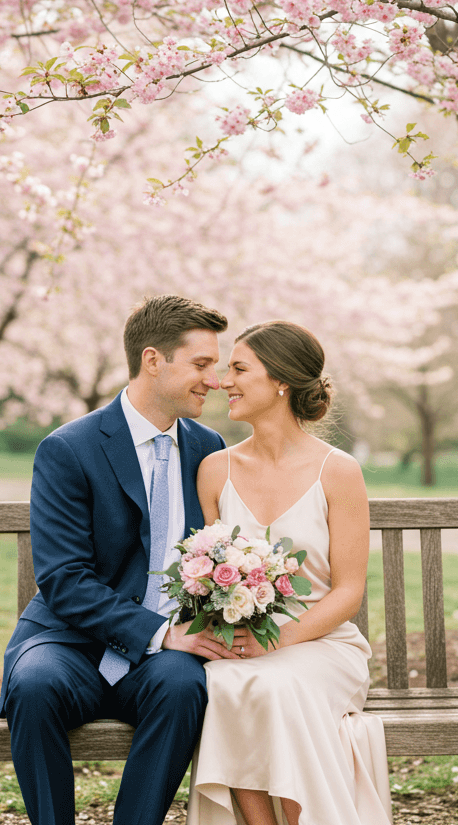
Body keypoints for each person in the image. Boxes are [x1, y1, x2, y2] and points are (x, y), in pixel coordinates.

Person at [0, 294, 240, 825]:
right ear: (154, 360)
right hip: (69, 641)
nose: (215, 381)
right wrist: (158, 632)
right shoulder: (68, 448)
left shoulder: (209, 447)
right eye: (201, 365)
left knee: (183, 687)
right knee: (34, 687)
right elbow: (63, 579)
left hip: (164, 658)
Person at [187, 320, 392, 825]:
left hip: (322, 644)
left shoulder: (338, 470)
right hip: (241, 643)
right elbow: (204, 570)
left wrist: (276, 641)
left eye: (238, 369)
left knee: (276, 687)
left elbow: (347, 591)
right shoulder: (215, 469)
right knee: (222, 685)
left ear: (280, 381)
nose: (222, 381)